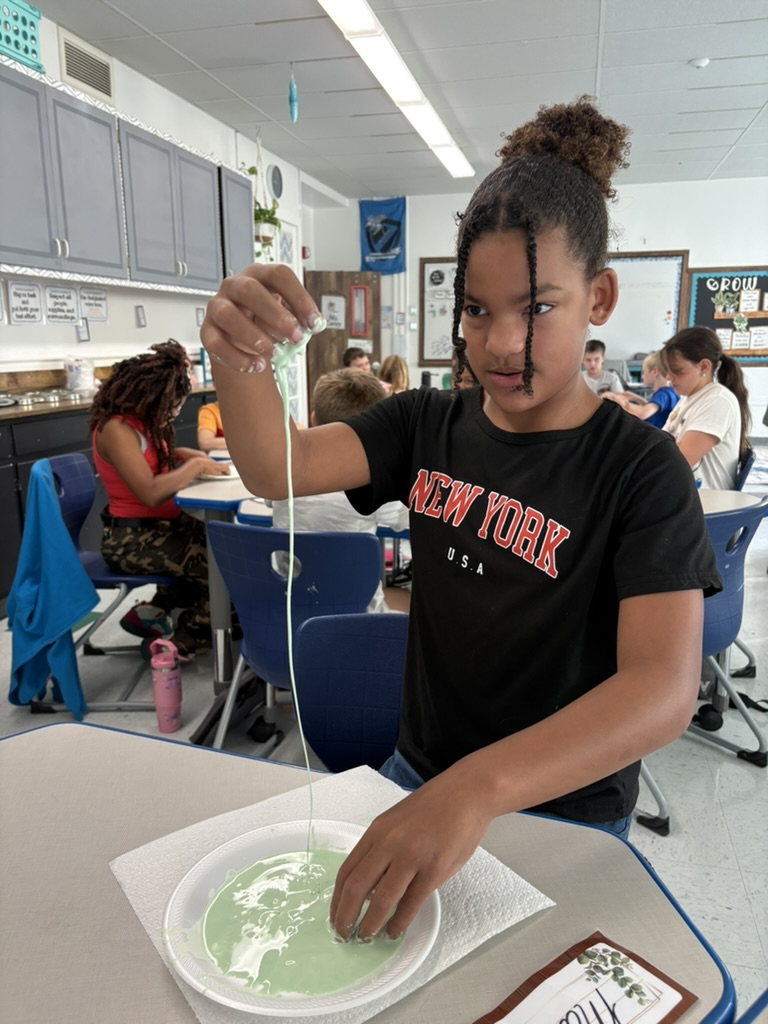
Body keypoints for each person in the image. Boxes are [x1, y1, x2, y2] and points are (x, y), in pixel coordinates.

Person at [201, 97, 719, 943]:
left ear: (599, 297)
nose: (501, 343)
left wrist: (478, 788)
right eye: (477, 310)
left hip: (566, 815)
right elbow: (276, 467)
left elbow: (660, 691)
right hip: (423, 778)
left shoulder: (640, 468)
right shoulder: (424, 424)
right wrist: (236, 355)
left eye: (536, 307)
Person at [89, 340, 231, 659]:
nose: (174, 413)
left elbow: (153, 464)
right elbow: (150, 492)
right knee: (223, 570)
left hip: (159, 530)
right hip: (132, 540)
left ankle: (156, 612)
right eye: (172, 406)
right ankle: (181, 640)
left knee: (229, 547)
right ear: (150, 397)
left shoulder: (143, 424)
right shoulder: (117, 429)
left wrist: (182, 455)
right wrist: (195, 465)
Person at [270, 368, 410, 613]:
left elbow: (269, 502)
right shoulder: (379, 480)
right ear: (379, 428)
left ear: (313, 419)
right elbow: (407, 519)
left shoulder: (283, 474)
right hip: (358, 623)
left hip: (288, 617)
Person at [660, 326, 751, 490]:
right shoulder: (687, 399)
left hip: (708, 503)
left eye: (677, 371)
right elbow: (661, 444)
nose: (668, 377)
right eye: (667, 370)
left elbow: (678, 463)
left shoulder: (717, 401)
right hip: (687, 497)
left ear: (704, 367)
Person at [602, 351, 679, 427]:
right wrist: (637, 398)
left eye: (644, 372)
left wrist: (620, 402)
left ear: (655, 372)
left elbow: (642, 413)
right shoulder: (671, 392)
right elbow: (654, 409)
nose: (642, 377)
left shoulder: (662, 394)